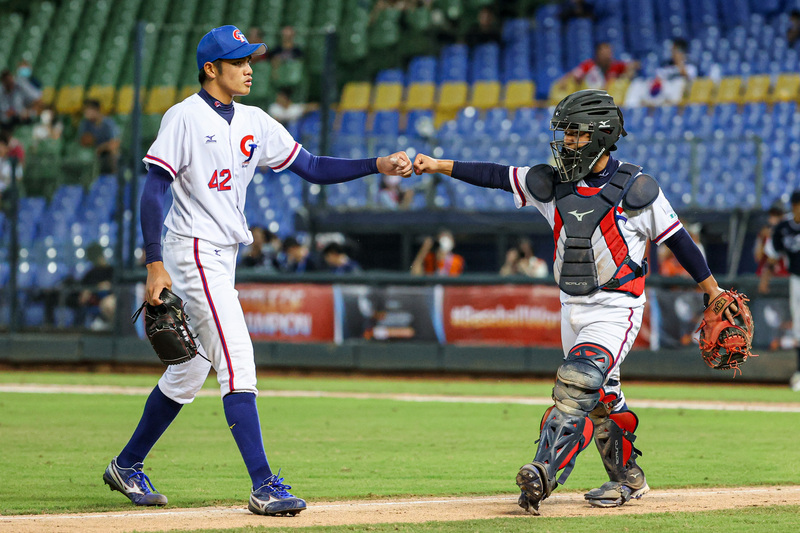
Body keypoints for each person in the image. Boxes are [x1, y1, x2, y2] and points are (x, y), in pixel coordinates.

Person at [101, 25, 412, 517]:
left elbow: (310, 166)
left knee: (190, 371)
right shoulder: (183, 117)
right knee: (237, 360)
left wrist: (377, 164)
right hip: (192, 251)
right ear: (211, 69)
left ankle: (126, 463)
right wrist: (154, 263)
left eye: (251, 61)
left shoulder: (254, 121)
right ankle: (264, 483)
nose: (249, 69)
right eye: (239, 61)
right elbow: (154, 189)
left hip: (224, 255)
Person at [412, 89, 736, 514]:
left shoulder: (637, 189)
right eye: (564, 133)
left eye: (575, 134)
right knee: (602, 401)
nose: (566, 141)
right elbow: (494, 174)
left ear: (602, 136)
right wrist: (438, 165)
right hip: (572, 307)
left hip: (618, 308)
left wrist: (711, 289)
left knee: (578, 381)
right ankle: (628, 479)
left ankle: (542, 473)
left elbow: (679, 241)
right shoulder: (552, 185)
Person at [760, 190, 800, 392]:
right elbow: (772, 257)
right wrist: (765, 278)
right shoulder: (784, 228)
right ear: (794, 207)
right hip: (796, 280)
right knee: (799, 328)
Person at [624, 39, 697, 107]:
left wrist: (680, 64)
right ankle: (631, 109)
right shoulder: (666, 66)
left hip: (678, 96)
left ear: (683, 52)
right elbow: (657, 79)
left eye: (676, 51)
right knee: (637, 83)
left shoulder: (690, 66)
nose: (673, 54)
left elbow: (690, 82)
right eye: (673, 51)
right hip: (661, 96)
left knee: (678, 82)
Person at [555, 42, 639, 91]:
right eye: (604, 53)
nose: (607, 56)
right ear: (597, 54)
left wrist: (628, 71)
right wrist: (564, 81)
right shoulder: (589, 66)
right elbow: (573, 75)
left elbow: (635, 64)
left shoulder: (616, 66)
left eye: (609, 53)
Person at [78, 99, 120, 174]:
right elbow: (84, 141)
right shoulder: (85, 123)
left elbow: (115, 143)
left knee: (114, 153)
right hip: (93, 151)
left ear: (96, 110)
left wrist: (101, 147)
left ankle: (114, 178)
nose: (86, 113)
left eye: (88, 110)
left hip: (106, 152)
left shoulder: (108, 123)